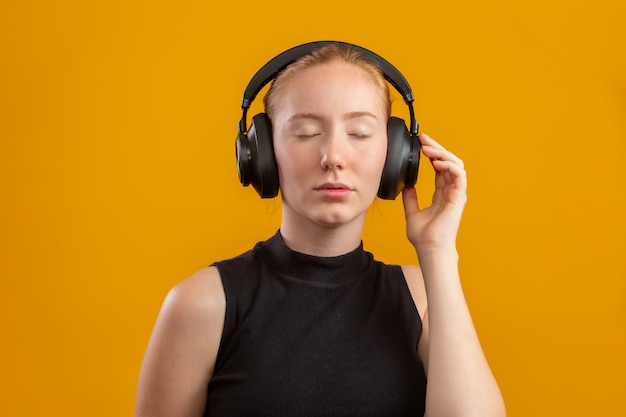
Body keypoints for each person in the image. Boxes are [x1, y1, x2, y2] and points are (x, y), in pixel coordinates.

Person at [135, 42, 506, 417]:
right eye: (307, 133)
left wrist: (437, 251)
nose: (333, 157)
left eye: (359, 133)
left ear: (397, 155)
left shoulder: (420, 299)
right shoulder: (202, 304)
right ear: (260, 153)